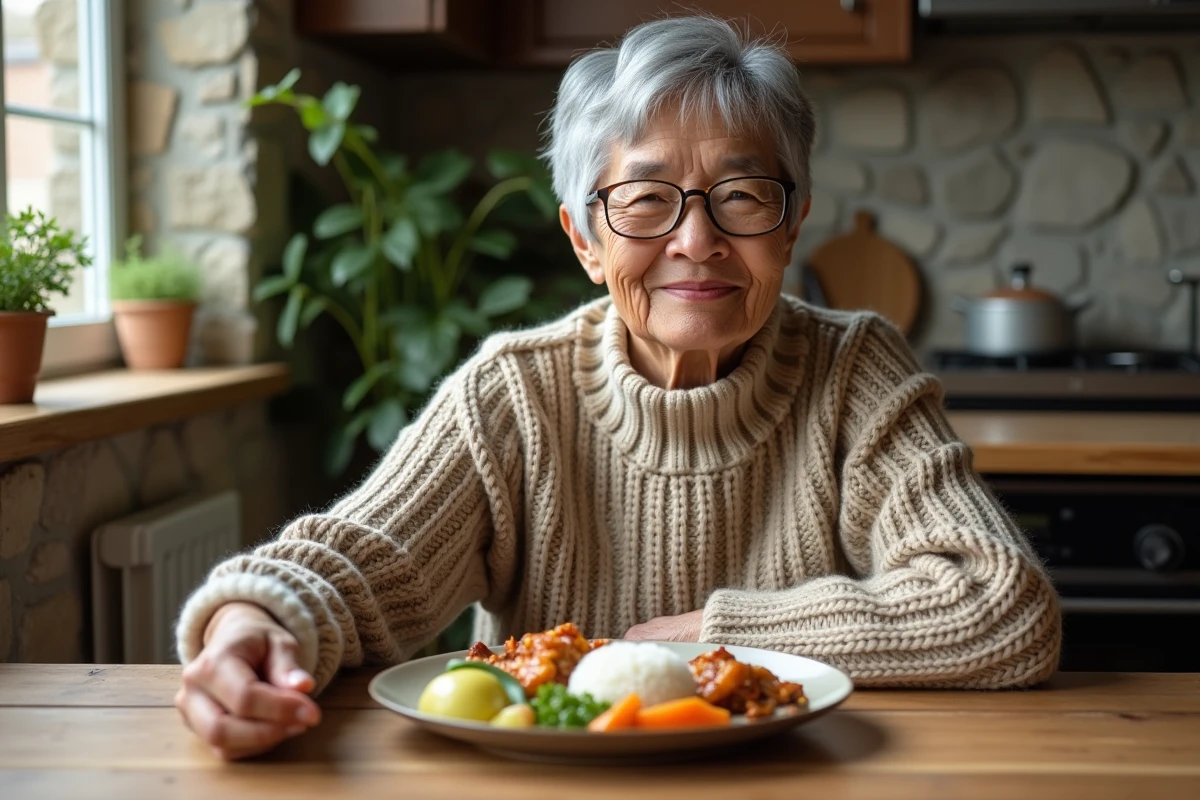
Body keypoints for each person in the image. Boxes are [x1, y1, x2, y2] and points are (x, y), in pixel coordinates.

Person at [173, 15, 1062, 760]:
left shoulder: (855, 372)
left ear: (792, 226)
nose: (697, 239)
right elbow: (361, 561)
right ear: (585, 240)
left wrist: (712, 634)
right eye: (644, 199)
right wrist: (254, 617)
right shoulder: (515, 396)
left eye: (743, 196)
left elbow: (999, 604)